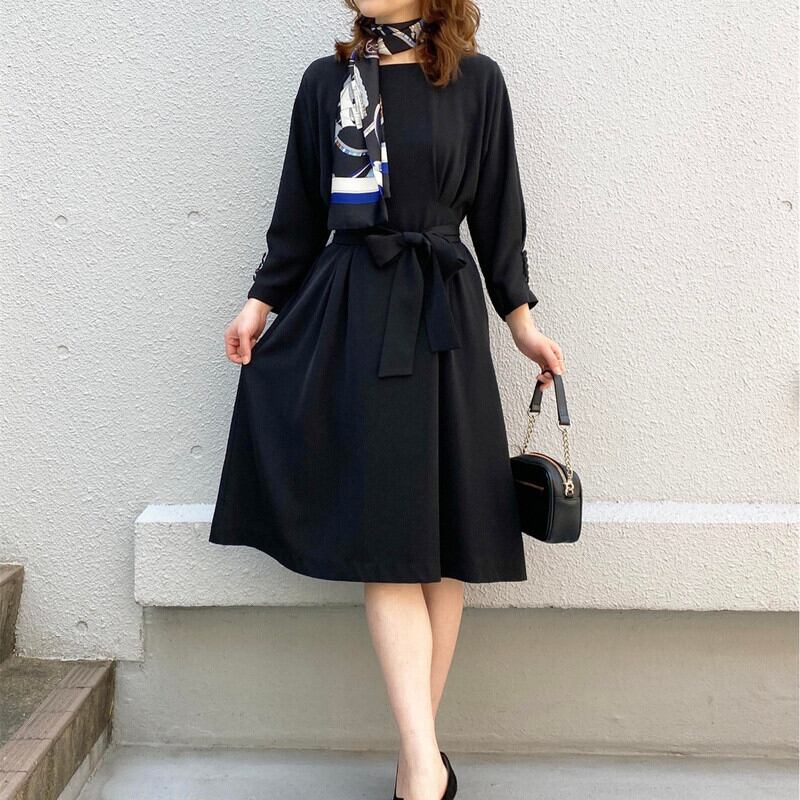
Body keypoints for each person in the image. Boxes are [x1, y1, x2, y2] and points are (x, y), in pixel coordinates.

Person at [209, 2, 565, 798]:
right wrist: (258, 305)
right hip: (358, 318)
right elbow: (297, 218)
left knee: (444, 546)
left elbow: (499, 218)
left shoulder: (478, 83)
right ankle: (422, 768)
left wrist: (524, 327)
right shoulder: (328, 83)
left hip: (445, 321)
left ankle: (419, 756)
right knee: (391, 539)